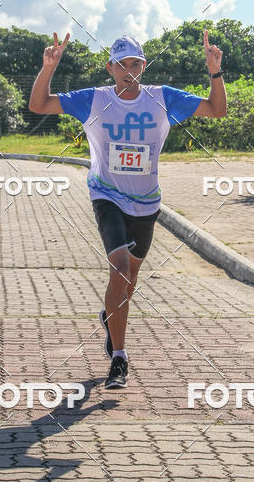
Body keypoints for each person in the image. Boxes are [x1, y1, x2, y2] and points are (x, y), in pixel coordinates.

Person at [28, 30, 226, 388]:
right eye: (122, 65)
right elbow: (39, 105)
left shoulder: (163, 98)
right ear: (110, 68)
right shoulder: (94, 99)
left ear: (144, 66)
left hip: (147, 202)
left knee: (129, 281)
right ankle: (119, 358)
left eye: (135, 63)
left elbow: (217, 110)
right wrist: (48, 68)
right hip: (107, 195)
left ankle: (111, 316)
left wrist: (215, 72)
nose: (129, 70)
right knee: (119, 272)